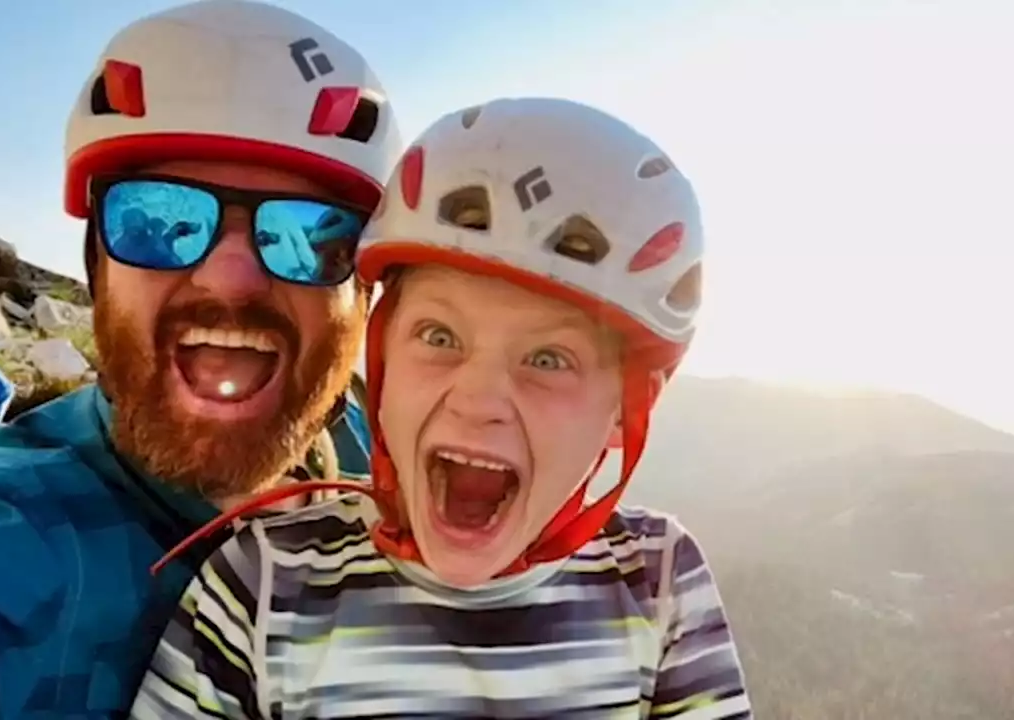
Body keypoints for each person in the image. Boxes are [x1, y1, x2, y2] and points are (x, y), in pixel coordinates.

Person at [130, 97, 753, 719]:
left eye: (549, 359)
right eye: (438, 337)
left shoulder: (659, 579)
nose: (478, 400)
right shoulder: (263, 583)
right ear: (383, 361)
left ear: (624, 411)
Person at [0, 0, 401, 716]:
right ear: (97, 265)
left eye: (313, 235)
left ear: (363, 296)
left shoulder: (382, 446)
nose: (230, 278)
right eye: (155, 220)